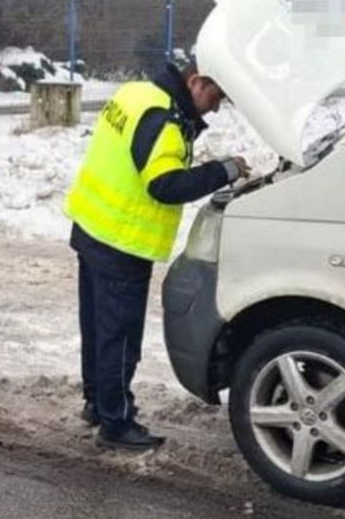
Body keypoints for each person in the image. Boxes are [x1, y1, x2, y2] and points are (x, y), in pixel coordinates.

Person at [64, 61, 250, 450]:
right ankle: (116, 424)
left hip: (92, 227)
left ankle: (97, 403)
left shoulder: (135, 93)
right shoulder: (165, 118)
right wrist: (222, 171)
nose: (215, 108)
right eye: (215, 97)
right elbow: (164, 185)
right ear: (195, 81)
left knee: (97, 328)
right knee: (120, 338)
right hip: (122, 242)